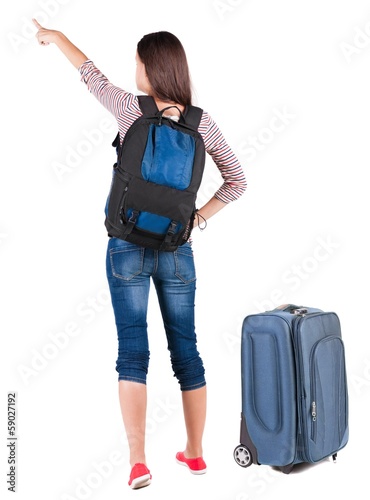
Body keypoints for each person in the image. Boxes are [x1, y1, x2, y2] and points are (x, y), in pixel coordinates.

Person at [33, 19, 247, 490]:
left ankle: (138, 462)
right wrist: (198, 219)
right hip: (177, 250)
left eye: (137, 61)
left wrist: (55, 37)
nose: (134, 69)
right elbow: (238, 181)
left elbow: (89, 74)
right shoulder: (200, 122)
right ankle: (194, 455)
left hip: (126, 245)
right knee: (186, 352)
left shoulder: (131, 109)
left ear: (149, 68)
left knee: (132, 353)